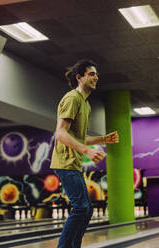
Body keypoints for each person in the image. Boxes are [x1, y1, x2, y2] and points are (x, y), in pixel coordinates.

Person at [50, 59, 119, 248]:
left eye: (96, 74)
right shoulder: (73, 98)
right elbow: (61, 133)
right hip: (64, 162)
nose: (96, 77)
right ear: (79, 77)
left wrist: (103, 139)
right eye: (91, 74)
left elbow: (79, 137)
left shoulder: (85, 104)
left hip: (73, 162)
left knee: (86, 210)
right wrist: (86, 150)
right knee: (81, 207)